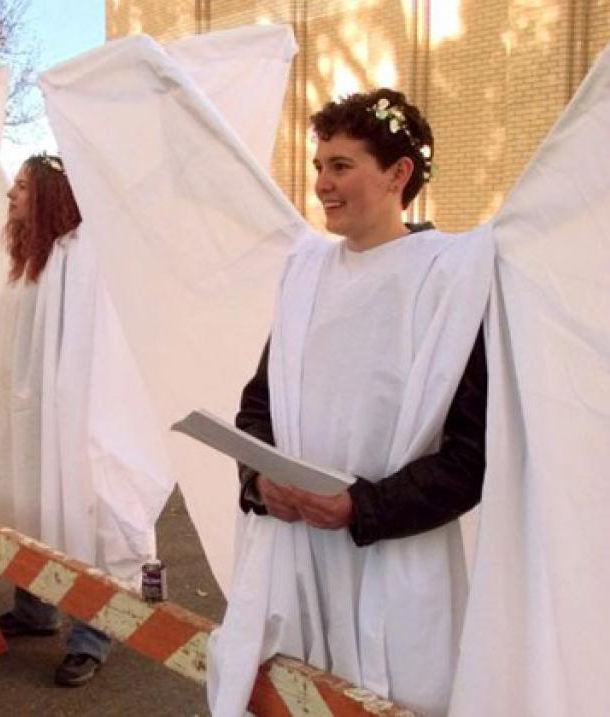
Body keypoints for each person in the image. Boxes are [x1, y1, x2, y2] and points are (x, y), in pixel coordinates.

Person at [208, 89, 492, 717]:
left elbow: (472, 455)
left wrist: (361, 507)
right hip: (298, 555)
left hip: (398, 561)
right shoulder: (306, 272)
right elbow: (259, 406)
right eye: (318, 167)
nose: (322, 184)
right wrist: (259, 478)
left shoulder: (452, 277)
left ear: (398, 174)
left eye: (341, 166)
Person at [0, 153, 172, 687]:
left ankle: (93, 633)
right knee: (32, 504)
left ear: (49, 196)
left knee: (82, 517)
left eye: (21, 187)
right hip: (29, 414)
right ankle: (36, 609)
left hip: (73, 416)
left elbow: (99, 344)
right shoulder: (26, 258)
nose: (10, 195)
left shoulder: (82, 255)